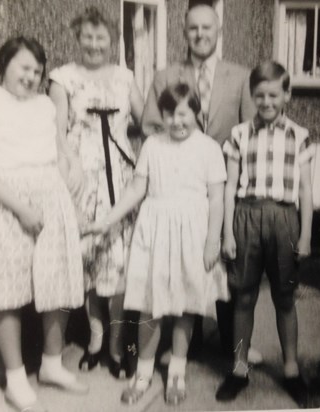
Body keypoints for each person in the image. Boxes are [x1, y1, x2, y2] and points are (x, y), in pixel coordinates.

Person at [0, 36, 88, 412]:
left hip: (50, 195)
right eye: (24, 68)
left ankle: (51, 364)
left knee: (58, 281)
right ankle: (16, 379)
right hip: (5, 203)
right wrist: (20, 207)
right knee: (8, 289)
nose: (32, 77)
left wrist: (72, 166)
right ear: (3, 66)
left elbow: (59, 147)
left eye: (38, 70)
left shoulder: (45, 107)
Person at [86, 83, 230, 406]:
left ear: (196, 112)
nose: (177, 122)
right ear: (161, 116)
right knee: (150, 305)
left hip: (193, 232)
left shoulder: (209, 148)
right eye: (170, 115)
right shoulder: (152, 145)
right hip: (155, 229)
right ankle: (143, 373)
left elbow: (218, 199)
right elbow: (137, 189)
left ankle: (177, 372)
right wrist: (108, 220)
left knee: (184, 306)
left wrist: (212, 241)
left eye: (184, 114)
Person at [141, 3, 261, 363]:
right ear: (184, 31)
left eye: (207, 28)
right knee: (183, 261)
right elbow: (150, 124)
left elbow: (250, 132)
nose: (200, 35)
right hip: (181, 186)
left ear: (219, 30)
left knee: (225, 262)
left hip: (225, 183)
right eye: (193, 28)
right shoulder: (165, 76)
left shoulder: (240, 76)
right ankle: (185, 345)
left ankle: (231, 343)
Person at [48, 6, 144, 379]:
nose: (93, 44)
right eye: (86, 37)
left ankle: (119, 344)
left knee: (119, 261)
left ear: (112, 40)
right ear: (77, 38)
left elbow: (147, 119)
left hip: (120, 179)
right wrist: (70, 169)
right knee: (88, 260)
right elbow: (56, 130)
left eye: (100, 37)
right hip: (81, 177)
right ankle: (95, 339)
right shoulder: (63, 77)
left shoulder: (124, 76)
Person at [215, 61, 313, 406]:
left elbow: (305, 192)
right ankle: (239, 368)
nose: (267, 102)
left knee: (285, 298)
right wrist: (227, 233)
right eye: (260, 96)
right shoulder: (240, 134)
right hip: (246, 217)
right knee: (243, 297)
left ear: (287, 94)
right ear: (252, 96)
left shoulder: (299, 136)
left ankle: (291, 369)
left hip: (285, 219)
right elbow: (228, 189)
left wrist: (305, 236)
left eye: (274, 95)